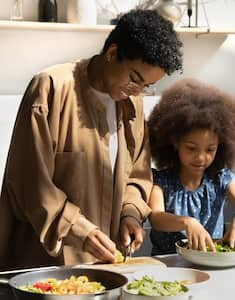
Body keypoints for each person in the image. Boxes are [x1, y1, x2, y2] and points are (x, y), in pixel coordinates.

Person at [0, 9, 183, 270]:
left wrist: (130, 213)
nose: (138, 91)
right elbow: (30, 182)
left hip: (105, 269)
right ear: (111, 54)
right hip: (45, 269)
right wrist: (80, 230)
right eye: (134, 79)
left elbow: (137, 174)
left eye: (146, 86)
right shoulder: (51, 88)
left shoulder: (133, 105)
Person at [147, 78, 235, 255]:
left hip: (212, 264)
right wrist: (187, 222)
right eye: (191, 148)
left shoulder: (222, 178)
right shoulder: (161, 181)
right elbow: (156, 218)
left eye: (210, 149)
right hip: (167, 265)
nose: (201, 157)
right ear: (175, 143)